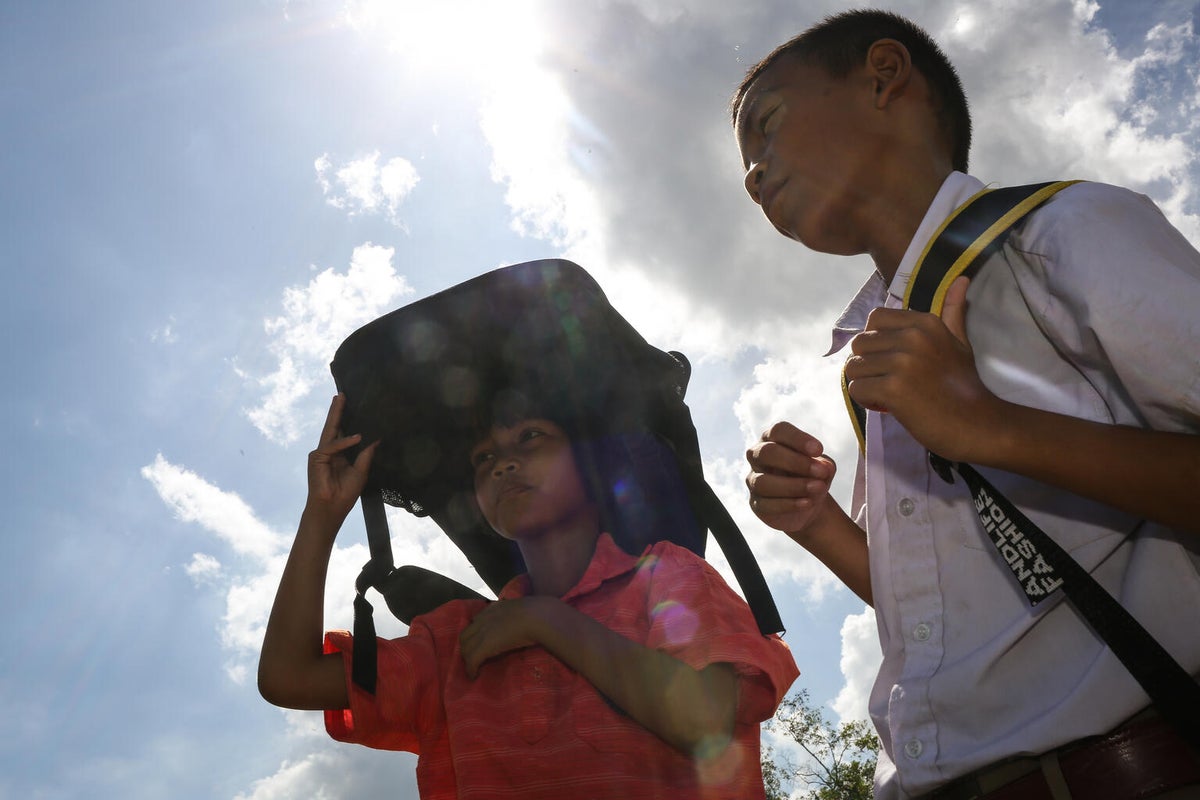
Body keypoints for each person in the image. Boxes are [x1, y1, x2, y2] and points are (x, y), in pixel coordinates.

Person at [731, 9, 1200, 800]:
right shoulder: (875, 362)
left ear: (884, 76)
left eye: (767, 126)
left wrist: (990, 427)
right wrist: (819, 527)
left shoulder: (1056, 234)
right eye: (745, 172)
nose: (754, 176)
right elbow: (940, 619)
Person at [258, 388, 798, 800]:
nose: (501, 463)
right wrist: (322, 516)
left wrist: (549, 622)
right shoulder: (454, 638)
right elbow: (288, 677)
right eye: (483, 459)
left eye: (531, 438)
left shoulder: (667, 578)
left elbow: (704, 721)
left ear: (590, 468)